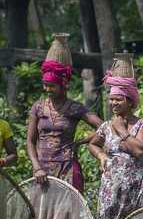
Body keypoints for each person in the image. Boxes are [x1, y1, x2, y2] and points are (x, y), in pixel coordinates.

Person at [90, 70, 143, 219]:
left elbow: (140, 151)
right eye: (111, 99)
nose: (113, 103)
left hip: (132, 187)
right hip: (110, 186)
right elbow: (93, 144)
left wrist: (121, 130)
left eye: (118, 99)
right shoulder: (105, 126)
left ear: (130, 100)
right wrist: (101, 155)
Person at [27, 58, 103, 194]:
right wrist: (37, 167)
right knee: (41, 213)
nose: (47, 89)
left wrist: (80, 142)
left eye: (51, 85)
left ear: (63, 85)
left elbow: (104, 128)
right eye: (45, 84)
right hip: (42, 170)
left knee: (66, 213)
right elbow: (30, 141)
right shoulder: (38, 107)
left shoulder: (75, 108)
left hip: (67, 168)